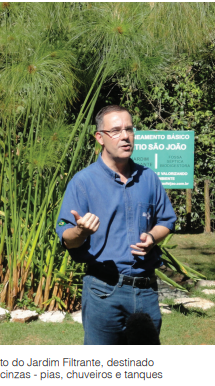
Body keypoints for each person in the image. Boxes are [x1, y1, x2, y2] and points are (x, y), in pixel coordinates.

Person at [55, 105, 176, 345]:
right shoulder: (83, 182)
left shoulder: (148, 178)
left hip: (146, 290)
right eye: (116, 130)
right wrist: (81, 230)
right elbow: (67, 238)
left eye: (129, 129)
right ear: (99, 137)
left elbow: (167, 220)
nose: (125, 136)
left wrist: (152, 237)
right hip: (104, 291)